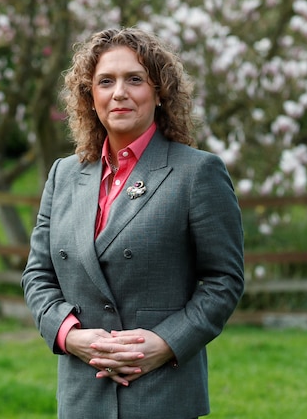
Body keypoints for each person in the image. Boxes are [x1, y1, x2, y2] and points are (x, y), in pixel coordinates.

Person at [22, 27, 245, 419]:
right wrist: (70, 336)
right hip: (82, 396)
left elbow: (224, 280)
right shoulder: (63, 175)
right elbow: (38, 275)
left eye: (135, 79)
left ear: (159, 92)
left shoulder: (197, 173)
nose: (119, 93)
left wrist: (167, 343)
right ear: (89, 97)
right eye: (105, 81)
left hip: (161, 394)